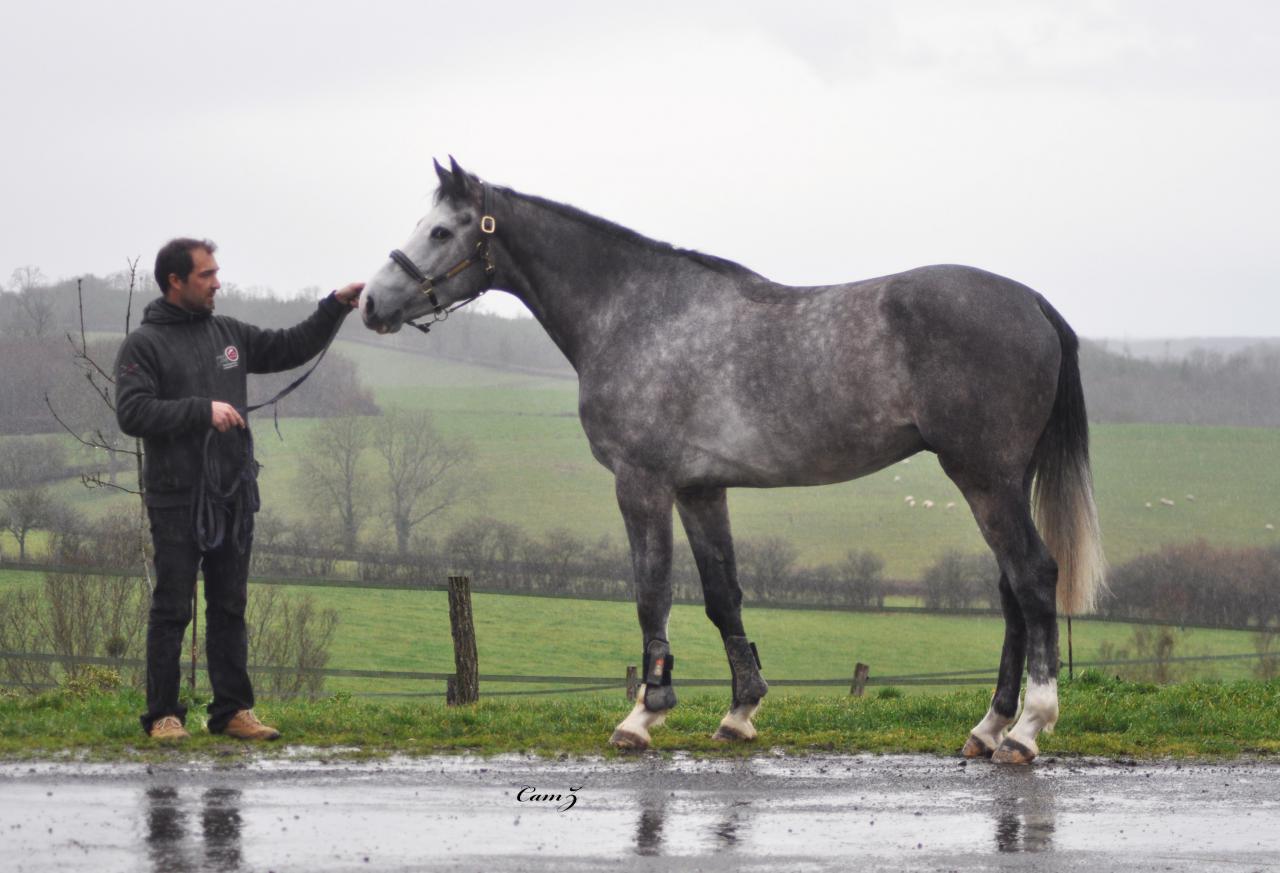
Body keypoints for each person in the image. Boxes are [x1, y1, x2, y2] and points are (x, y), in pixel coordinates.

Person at [115, 237, 363, 741]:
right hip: (177, 497)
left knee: (229, 605)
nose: (217, 282)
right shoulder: (144, 344)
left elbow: (289, 345)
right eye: (206, 275)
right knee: (172, 608)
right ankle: (163, 716)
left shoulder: (228, 333)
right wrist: (201, 409)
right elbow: (132, 412)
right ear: (175, 282)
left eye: (216, 272)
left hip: (232, 494)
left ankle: (232, 712)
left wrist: (335, 305)